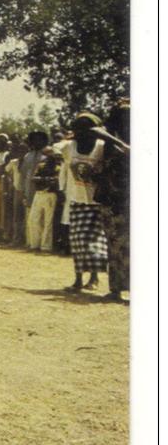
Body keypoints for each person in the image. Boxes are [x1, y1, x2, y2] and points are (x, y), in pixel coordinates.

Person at [60, 114, 107, 291]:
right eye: (78, 127)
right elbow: (52, 149)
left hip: (97, 200)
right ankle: (78, 279)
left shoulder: (101, 147)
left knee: (95, 241)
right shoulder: (68, 147)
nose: (82, 131)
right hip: (76, 199)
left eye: (86, 128)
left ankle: (94, 278)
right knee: (78, 241)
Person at [93, 103, 129, 302]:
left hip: (125, 201)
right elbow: (95, 129)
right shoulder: (111, 144)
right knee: (114, 246)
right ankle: (115, 288)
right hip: (112, 201)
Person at [20, 131, 50, 251]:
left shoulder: (47, 156)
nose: (37, 142)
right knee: (32, 218)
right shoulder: (28, 156)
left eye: (39, 139)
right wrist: (23, 191)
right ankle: (32, 242)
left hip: (43, 190)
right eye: (34, 139)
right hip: (29, 189)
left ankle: (44, 245)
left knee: (44, 219)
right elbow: (23, 175)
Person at [28, 147, 60, 253]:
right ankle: (35, 243)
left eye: (51, 155)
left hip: (50, 194)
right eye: (47, 155)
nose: (49, 157)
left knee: (48, 221)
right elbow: (33, 178)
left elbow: (55, 181)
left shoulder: (58, 168)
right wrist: (46, 179)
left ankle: (46, 246)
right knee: (34, 219)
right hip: (39, 194)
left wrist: (43, 180)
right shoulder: (41, 166)